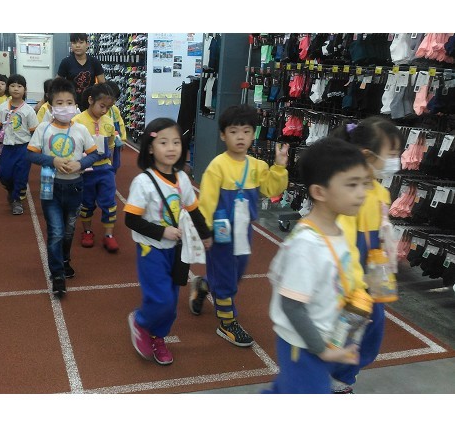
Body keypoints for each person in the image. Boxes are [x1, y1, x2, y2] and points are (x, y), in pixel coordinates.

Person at [264, 137, 371, 393]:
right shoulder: (307, 245)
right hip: (303, 346)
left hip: (320, 338)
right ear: (319, 192)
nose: (362, 193)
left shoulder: (336, 231)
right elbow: (292, 306)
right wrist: (321, 350)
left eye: (364, 183)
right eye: (351, 185)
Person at [190, 104, 289, 347]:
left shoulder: (257, 166)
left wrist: (279, 167)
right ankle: (227, 322)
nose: (240, 137)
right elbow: (207, 202)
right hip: (221, 231)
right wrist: (205, 232)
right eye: (234, 132)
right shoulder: (217, 166)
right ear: (223, 135)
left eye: (246, 131)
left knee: (236, 272)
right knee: (226, 276)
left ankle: (204, 285)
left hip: (244, 230)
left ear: (253, 134)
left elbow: (271, 190)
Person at [124, 118, 212, 365]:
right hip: (151, 249)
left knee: (171, 302)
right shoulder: (143, 182)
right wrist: (162, 232)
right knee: (161, 298)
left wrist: (206, 235)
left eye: (176, 142)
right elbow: (131, 219)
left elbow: (194, 211)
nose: (171, 148)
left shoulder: (182, 178)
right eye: (164, 143)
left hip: (177, 250)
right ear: (151, 148)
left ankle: (158, 336)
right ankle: (140, 321)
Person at [328, 116, 403, 393]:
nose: (396, 160)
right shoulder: (352, 193)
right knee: (345, 329)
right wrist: (353, 284)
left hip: (374, 274)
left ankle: (344, 377)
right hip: (351, 278)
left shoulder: (382, 193)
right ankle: (337, 380)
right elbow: (346, 242)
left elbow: (380, 235)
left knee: (372, 329)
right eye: (391, 153)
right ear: (367, 154)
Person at [27, 77, 102, 297]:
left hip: (75, 187)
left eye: (69, 103)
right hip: (50, 188)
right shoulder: (44, 129)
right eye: (59, 103)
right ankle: (58, 274)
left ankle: (65, 259)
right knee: (56, 231)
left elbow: (95, 154)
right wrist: (52, 161)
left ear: (76, 105)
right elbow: (31, 154)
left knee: (68, 231)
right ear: (51, 106)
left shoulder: (80, 130)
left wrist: (81, 164)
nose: (65, 107)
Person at [73, 83, 120, 252]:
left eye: (109, 107)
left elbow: (111, 144)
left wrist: (111, 165)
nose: (105, 111)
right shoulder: (77, 121)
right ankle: (87, 231)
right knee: (86, 203)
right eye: (102, 106)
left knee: (109, 202)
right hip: (86, 171)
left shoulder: (108, 121)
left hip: (105, 170)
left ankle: (109, 235)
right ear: (90, 100)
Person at [0, 74, 39, 215]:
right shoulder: (2, 108)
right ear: (8, 88)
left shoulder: (29, 111)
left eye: (19, 86)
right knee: (4, 175)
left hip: (23, 147)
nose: (16, 89)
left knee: (21, 175)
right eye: (12, 86)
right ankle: (11, 190)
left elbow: (34, 132)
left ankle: (17, 200)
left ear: (25, 89)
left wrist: (35, 149)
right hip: (7, 147)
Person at [57, 33, 105, 111]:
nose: (77, 46)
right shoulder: (66, 62)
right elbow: (56, 83)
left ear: (87, 44)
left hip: (90, 103)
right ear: (71, 45)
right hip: (71, 104)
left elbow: (102, 84)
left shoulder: (94, 62)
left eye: (81, 42)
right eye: (74, 43)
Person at [104, 80, 127, 173]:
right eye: (112, 99)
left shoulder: (114, 110)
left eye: (115, 99)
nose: (113, 102)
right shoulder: (98, 109)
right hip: (103, 139)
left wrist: (123, 139)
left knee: (115, 162)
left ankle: (112, 174)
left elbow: (120, 124)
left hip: (115, 139)